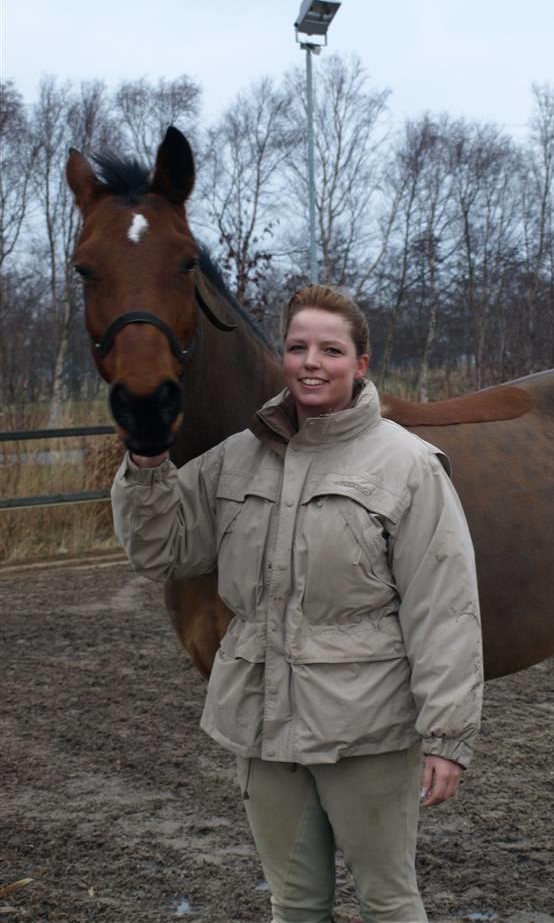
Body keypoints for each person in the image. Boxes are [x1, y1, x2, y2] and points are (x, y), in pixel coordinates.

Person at [111, 284, 483, 923]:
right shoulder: (237, 459)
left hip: (365, 727)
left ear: (359, 364)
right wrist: (146, 458)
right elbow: (160, 547)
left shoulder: (409, 466)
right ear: (282, 356)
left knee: (389, 900)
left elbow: (444, 607)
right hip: (261, 720)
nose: (312, 361)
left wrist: (447, 736)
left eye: (331, 350)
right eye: (298, 347)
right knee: (294, 902)